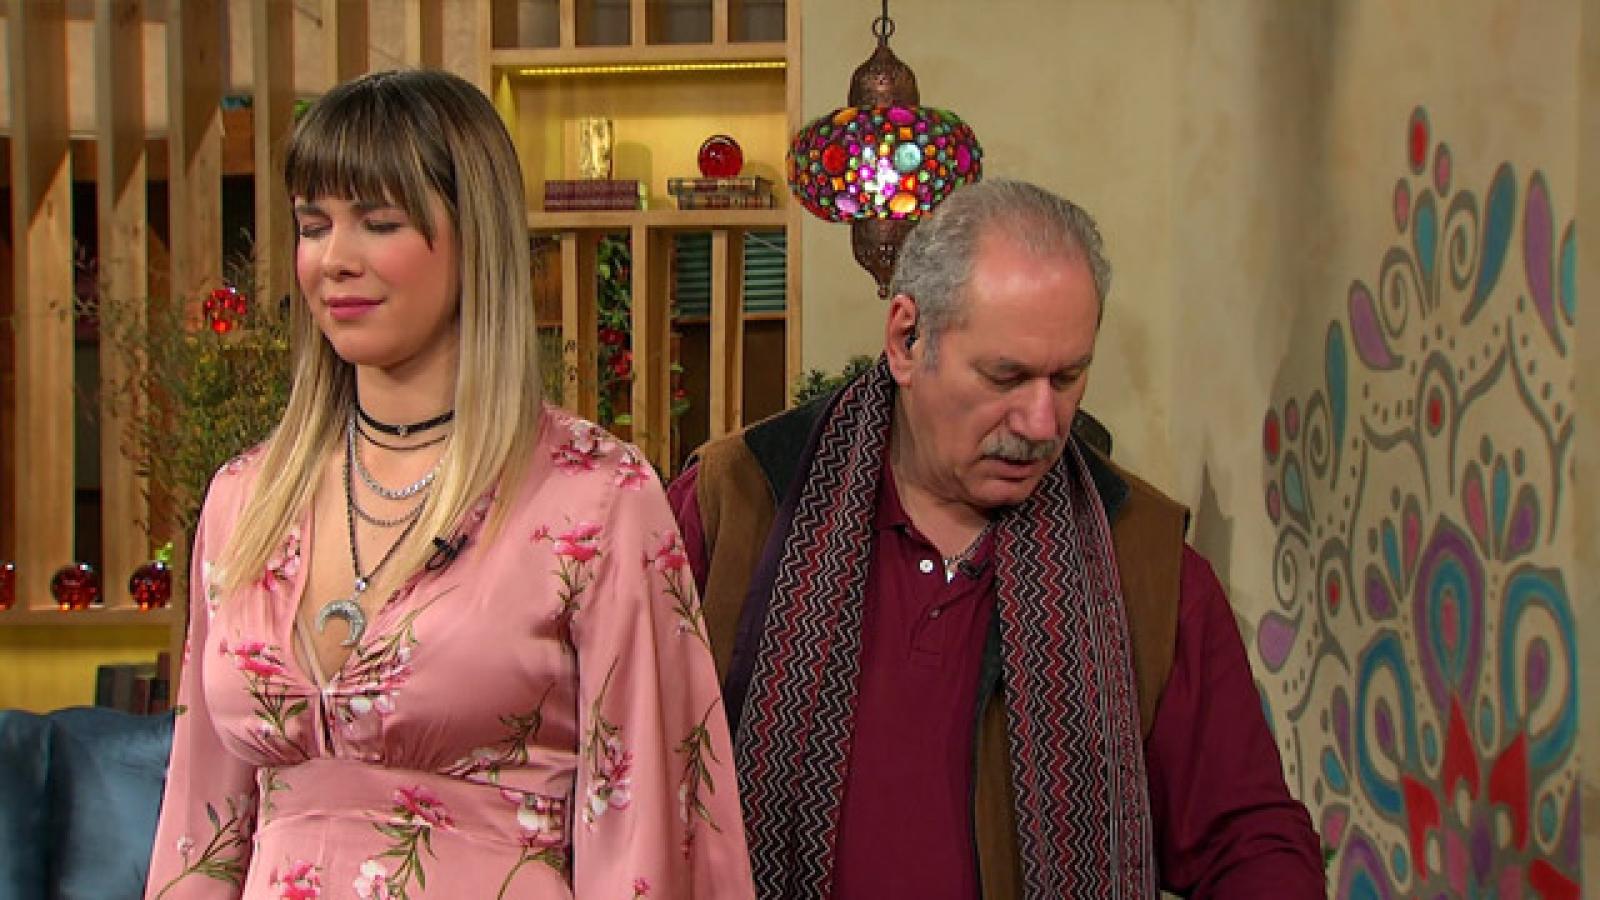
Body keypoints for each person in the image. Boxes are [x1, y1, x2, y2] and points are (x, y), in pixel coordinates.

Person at [146, 69, 752, 899]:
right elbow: (200, 826)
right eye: (314, 225)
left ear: (475, 238)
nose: (334, 261)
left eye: (379, 222)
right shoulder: (245, 499)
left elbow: (646, 820)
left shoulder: (594, 496)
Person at [667, 179, 1324, 898]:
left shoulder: (1143, 559)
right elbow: (607, 774)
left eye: (1067, 377)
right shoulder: (738, 505)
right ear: (907, 339)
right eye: (1005, 376)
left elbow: (1247, 839)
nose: (1042, 423)